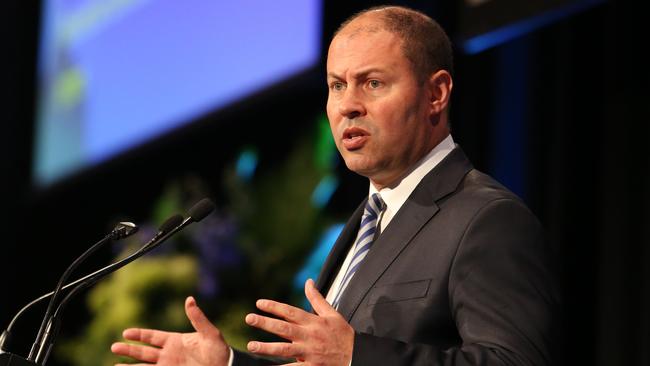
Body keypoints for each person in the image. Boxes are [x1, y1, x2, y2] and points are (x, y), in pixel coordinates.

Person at [111, 6, 560, 366]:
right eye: (337, 85)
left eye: (373, 83)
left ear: (436, 94)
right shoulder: (363, 224)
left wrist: (355, 355)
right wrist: (227, 362)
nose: (348, 106)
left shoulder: (486, 219)